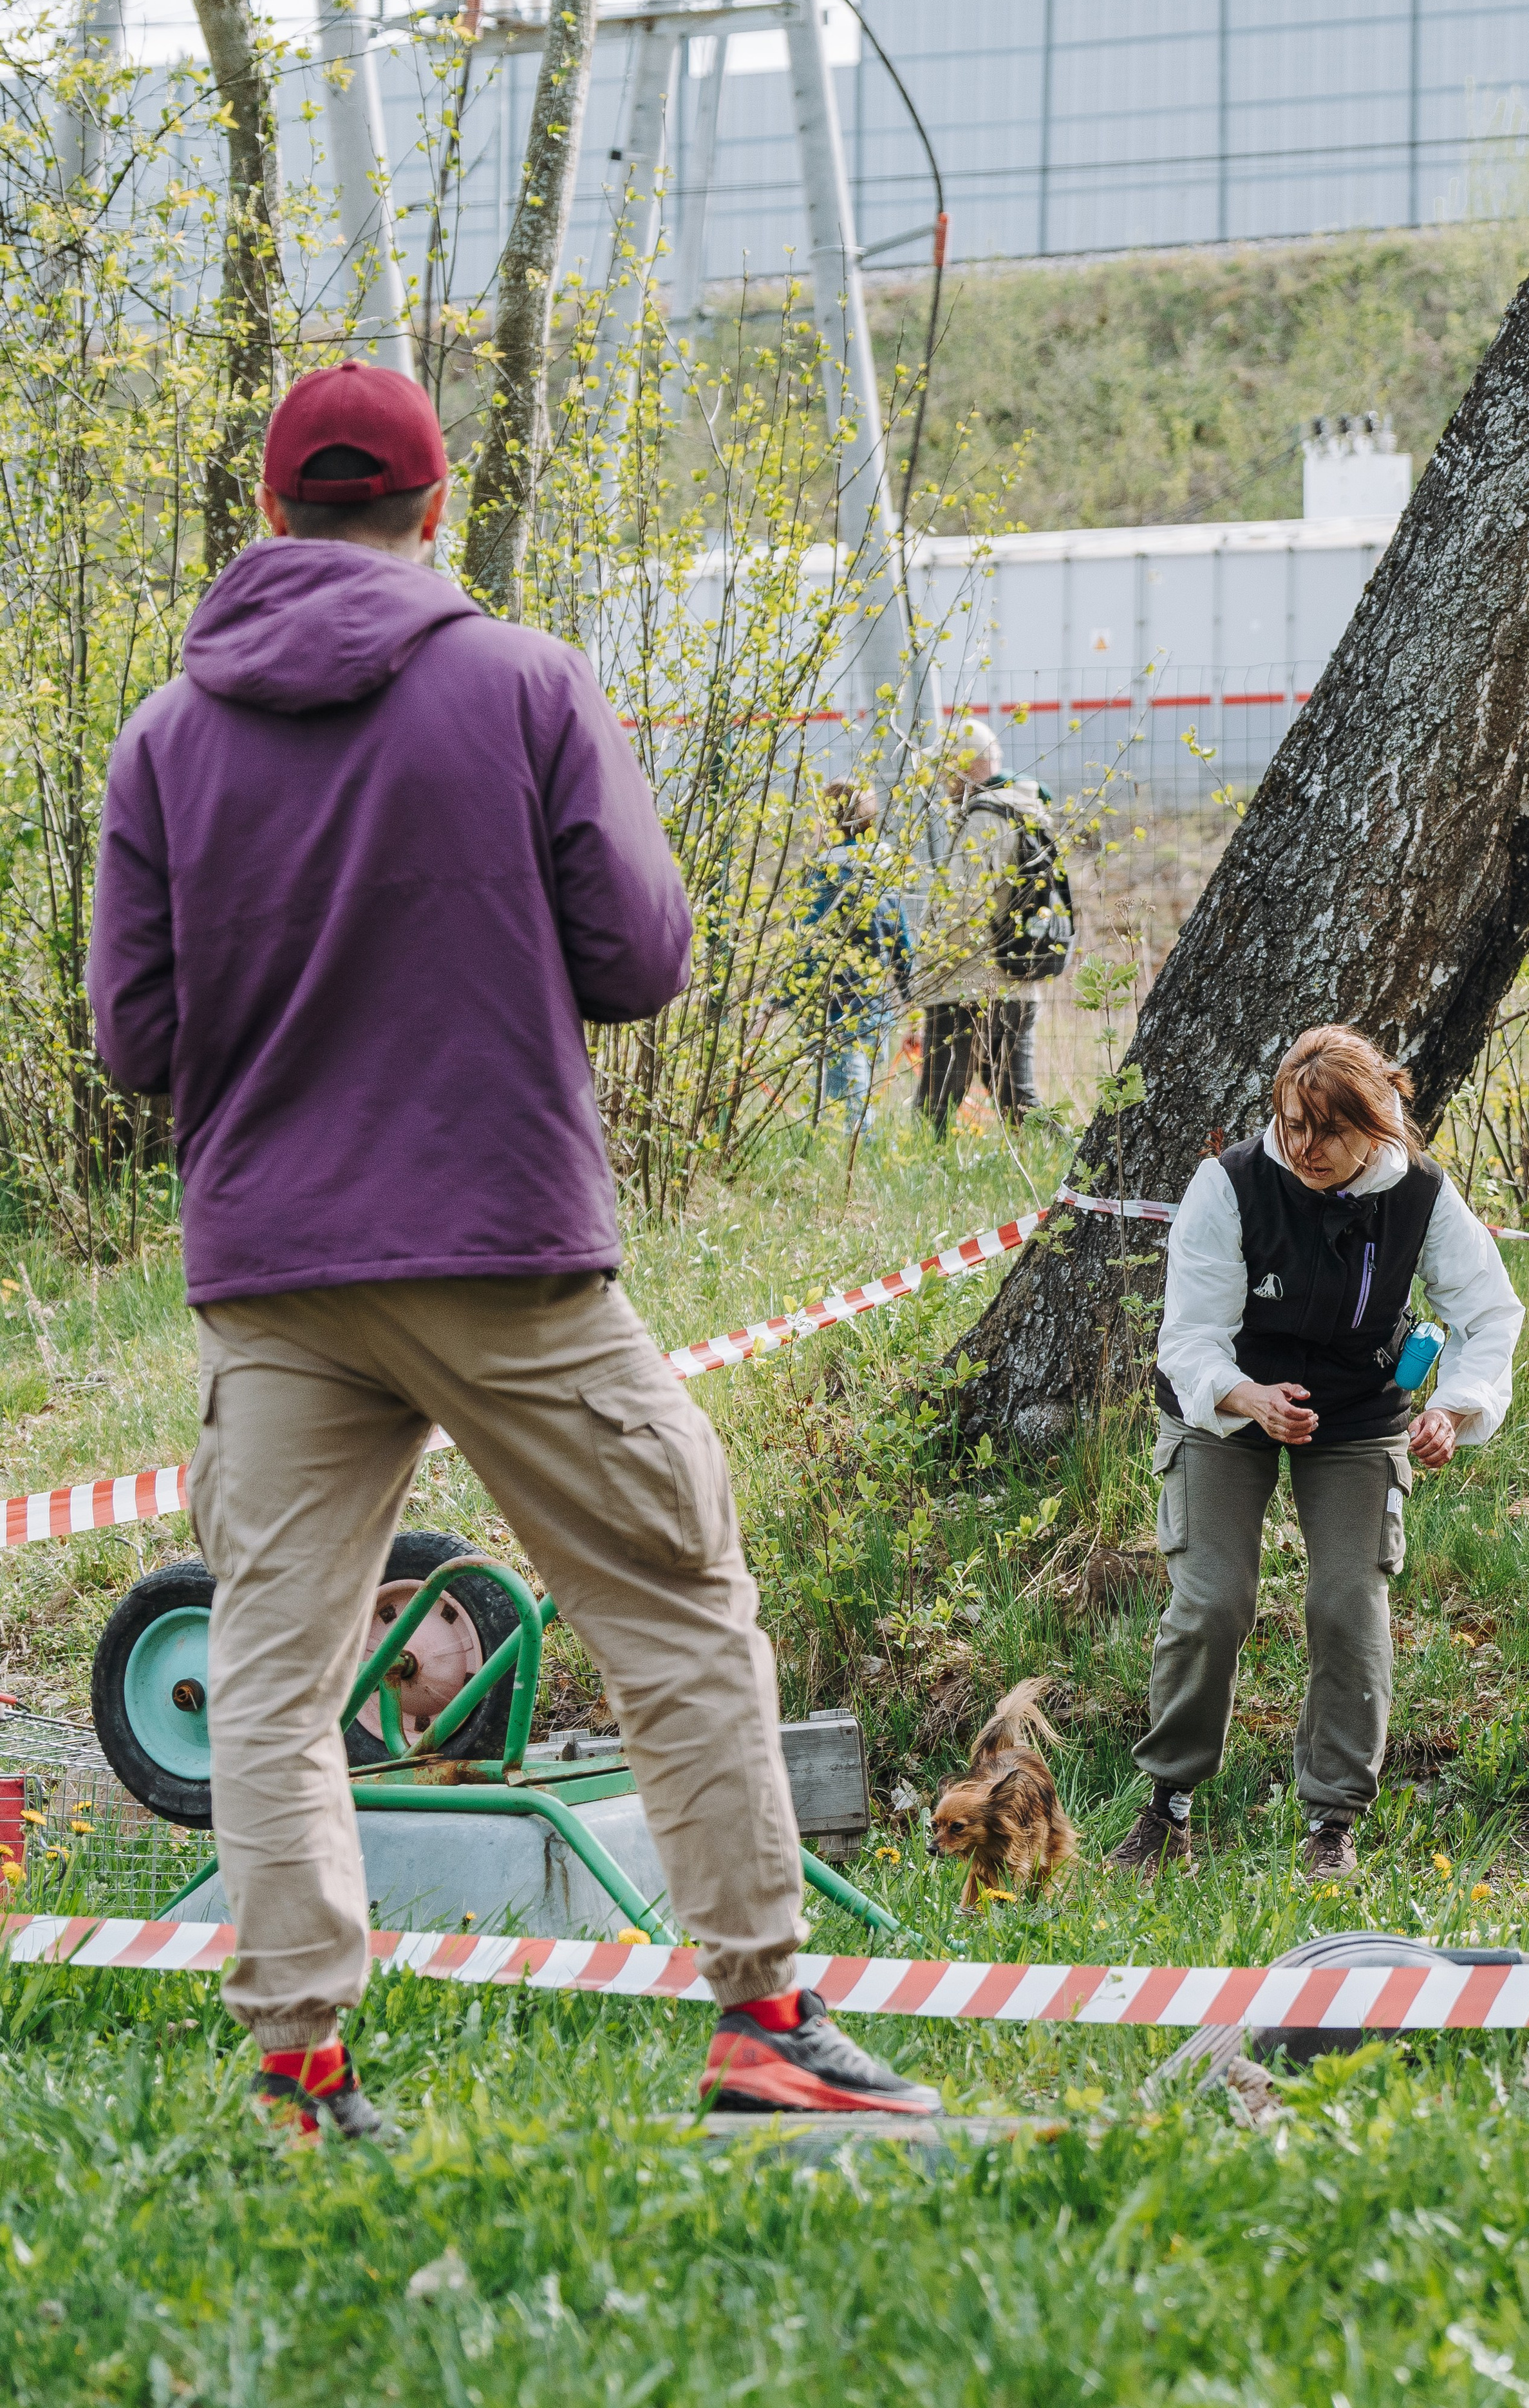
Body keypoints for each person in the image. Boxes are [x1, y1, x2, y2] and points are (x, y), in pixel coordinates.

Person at [88, 360, 939, 2134]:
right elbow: (637, 959)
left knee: (268, 1673)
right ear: (435, 504)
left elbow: (136, 1035)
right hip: (501, 1243)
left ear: (270, 514)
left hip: (276, 1273)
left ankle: (300, 2069)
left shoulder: (165, 738)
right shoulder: (526, 684)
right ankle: (763, 2021)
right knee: (678, 1607)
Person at [1109, 1024, 1523, 1885]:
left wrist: (1457, 1406)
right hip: (1225, 1406)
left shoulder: (1421, 1195)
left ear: (1376, 1126)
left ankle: (1332, 1819)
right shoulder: (1227, 1188)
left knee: (1347, 1601)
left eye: (1328, 1130)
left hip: (1358, 1412)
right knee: (1214, 1596)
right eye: (1293, 1123)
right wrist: (1246, 1395)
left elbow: (1490, 1317)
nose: (1305, 1146)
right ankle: (1168, 1807)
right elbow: (1186, 1339)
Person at [915, 718, 1071, 1132]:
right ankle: (1075, 1167)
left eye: (946, 770)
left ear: (962, 767)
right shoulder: (1029, 810)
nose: (943, 783)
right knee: (1018, 1100)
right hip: (1016, 979)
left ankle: (922, 1171)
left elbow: (959, 909)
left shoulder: (985, 818)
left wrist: (927, 974)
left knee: (935, 1103)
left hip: (969, 983)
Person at [794, 779, 912, 1128]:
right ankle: (856, 1166)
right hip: (877, 1008)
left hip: (833, 1008)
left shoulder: (824, 874)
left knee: (844, 1114)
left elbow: (810, 950)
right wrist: (909, 998)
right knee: (862, 1101)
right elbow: (901, 942)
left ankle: (844, 1173)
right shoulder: (884, 870)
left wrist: (777, 1002)